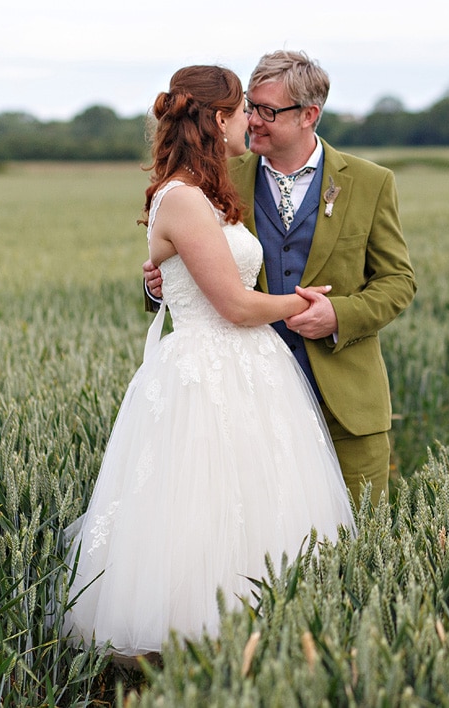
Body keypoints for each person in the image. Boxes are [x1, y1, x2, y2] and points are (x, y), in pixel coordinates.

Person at [64, 65, 355, 660]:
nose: (252, 119)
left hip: (248, 368)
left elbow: (197, 278)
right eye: (245, 108)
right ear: (218, 119)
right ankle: (202, 644)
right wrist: (305, 302)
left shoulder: (207, 191)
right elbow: (233, 304)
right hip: (208, 370)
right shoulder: (186, 200)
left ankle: (263, 641)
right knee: (206, 506)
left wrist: (166, 278)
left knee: (260, 505)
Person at [145, 51, 416, 507]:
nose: (253, 121)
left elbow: (398, 281)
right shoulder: (215, 178)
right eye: (250, 106)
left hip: (346, 405)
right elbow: (180, 254)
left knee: (360, 546)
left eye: (268, 111)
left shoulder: (370, 182)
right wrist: (159, 283)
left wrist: (338, 314)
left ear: (310, 114)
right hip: (247, 403)